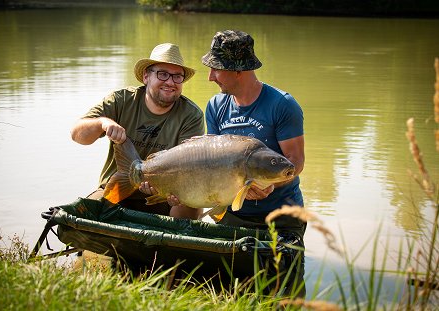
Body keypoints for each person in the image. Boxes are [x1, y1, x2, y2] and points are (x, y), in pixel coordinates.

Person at [201, 30, 306, 296]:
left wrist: (271, 185)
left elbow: (295, 162)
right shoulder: (215, 106)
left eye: (216, 69)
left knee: (285, 293)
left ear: (239, 70)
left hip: (281, 218)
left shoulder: (282, 104)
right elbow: (210, 163)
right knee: (229, 292)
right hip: (234, 215)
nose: (210, 76)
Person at [71, 43, 205, 220]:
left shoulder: (191, 115)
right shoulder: (122, 100)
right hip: (117, 189)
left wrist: (174, 190)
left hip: (163, 196)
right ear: (146, 76)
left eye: (177, 76)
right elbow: (77, 136)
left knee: (191, 204)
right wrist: (102, 123)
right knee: (86, 214)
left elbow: (189, 168)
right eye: (163, 74)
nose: (170, 82)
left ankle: (172, 246)